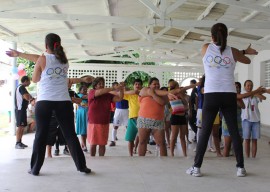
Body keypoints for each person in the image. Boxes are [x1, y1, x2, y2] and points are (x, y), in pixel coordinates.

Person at [6, 33, 91, 175]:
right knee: (70, 134)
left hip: (45, 102)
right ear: (58, 44)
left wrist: (35, 65)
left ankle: (35, 169)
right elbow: (40, 58)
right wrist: (20, 54)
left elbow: (35, 79)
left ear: (46, 46)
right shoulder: (64, 60)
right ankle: (82, 167)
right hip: (63, 102)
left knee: (40, 135)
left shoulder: (42, 60)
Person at [186, 23, 259, 177]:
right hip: (229, 94)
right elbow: (248, 61)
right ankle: (240, 168)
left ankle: (196, 167)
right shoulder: (233, 51)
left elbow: (219, 48)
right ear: (226, 36)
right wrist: (244, 51)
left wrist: (240, 52)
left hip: (212, 94)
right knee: (233, 131)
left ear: (212, 36)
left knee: (205, 131)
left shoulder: (205, 48)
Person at [87, 77, 124, 156]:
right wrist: (114, 88)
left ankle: (101, 160)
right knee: (93, 144)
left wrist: (121, 89)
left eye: (102, 84)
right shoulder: (92, 92)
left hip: (104, 122)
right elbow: (100, 92)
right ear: (95, 86)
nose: (101, 85)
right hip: (93, 122)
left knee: (102, 144)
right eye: (99, 84)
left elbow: (120, 98)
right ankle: (92, 159)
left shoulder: (108, 95)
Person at [14, 76, 33, 149]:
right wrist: (29, 97)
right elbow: (27, 97)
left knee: (22, 127)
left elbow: (29, 96)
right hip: (20, 110)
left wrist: (29, 96)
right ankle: (17, 143)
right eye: (29, 81)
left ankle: (20, 142)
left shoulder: (22, 88)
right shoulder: (21, 87)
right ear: (25, 81)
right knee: (20, 126)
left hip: (22, 110)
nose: (30, 83)